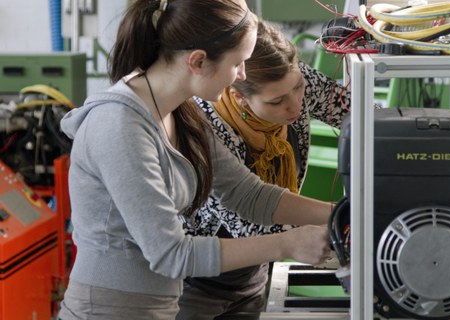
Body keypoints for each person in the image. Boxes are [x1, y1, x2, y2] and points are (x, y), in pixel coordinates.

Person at [57, 1, 333, 320]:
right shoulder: (120, 126)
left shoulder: (182, 113)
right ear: (198, 61)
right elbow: (170, 253)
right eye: (238, 64)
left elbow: (249, 195)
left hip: (158, 309)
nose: (240, 76)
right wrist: (286, 244)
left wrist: (343, 214)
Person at [177, 19, 351, 320]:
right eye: (277, 102)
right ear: (239, 96)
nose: (295, 105)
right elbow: (251, 219)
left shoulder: (290, 80)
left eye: (298, 87)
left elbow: (353, 109)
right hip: (197, 286)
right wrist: (347, 221)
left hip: (254, 275)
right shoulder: (203, 125)